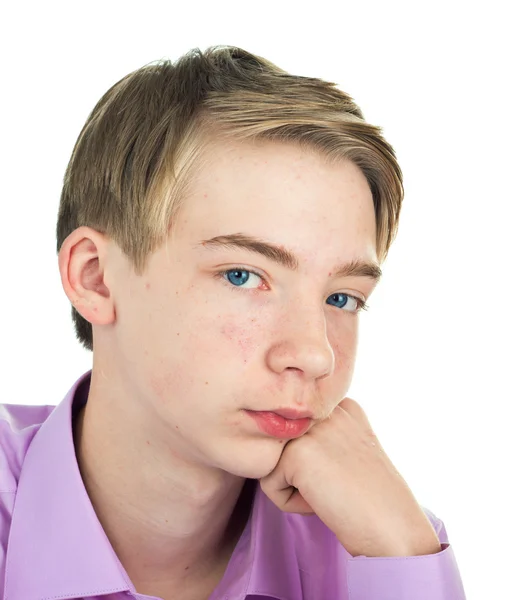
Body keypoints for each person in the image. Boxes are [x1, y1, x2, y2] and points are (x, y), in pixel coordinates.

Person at [0, 46, 467, 600]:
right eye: (244, 276)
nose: (316, 354)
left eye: (342, 298)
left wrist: (402, 555)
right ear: (97, 277)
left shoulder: (384, 546)